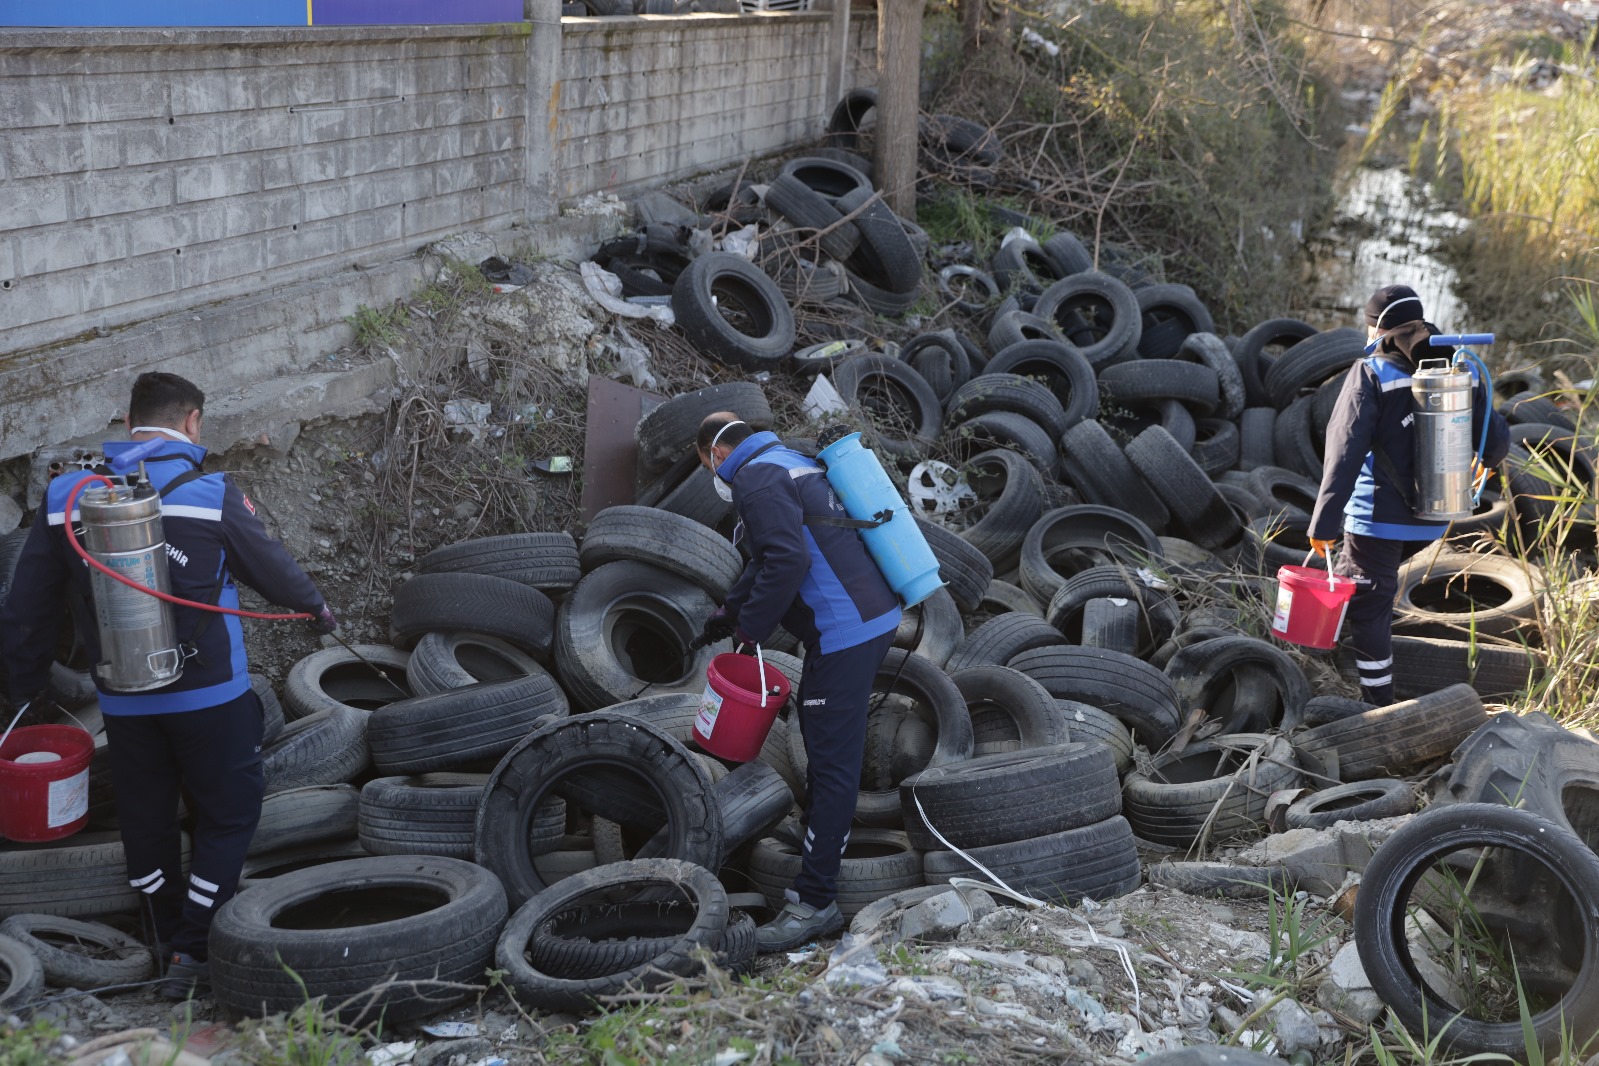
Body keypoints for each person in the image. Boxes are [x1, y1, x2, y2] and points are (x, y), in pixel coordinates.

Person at [0, 372, 335, 999]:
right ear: (193, 423)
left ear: (127, 425)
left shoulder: (69, 495)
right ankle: (191, 953)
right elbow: (273, 568)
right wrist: (319, 612)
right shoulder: (209, 490)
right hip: (213, 697)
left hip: (125, 701)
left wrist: (26, 689)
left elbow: (27, 608)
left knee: (146, 820)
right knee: (230, 814)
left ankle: (158, 940)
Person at [695, 412, 901, 951]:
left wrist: (748, 634)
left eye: (705, 466)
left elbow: (786, 560)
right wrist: (726, 616)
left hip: (844, 630)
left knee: (832, 761)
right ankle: (820, 849)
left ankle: (814, 903)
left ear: (717, 454)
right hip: (869, 617)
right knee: (818, 730)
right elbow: (767, 559)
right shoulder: (788, 461)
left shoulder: (753, 479)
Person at [1307, 285, 1509, 704]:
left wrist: (1323, 523)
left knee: (1370, 605)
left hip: (1377, 519)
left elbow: (1343, 451)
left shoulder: (1371, 374)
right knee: (1354, 581)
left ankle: (1378, 705)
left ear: (1378, 331)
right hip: (1434, 517)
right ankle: (1327, 654)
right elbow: (1494, 443)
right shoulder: (1456, 369)